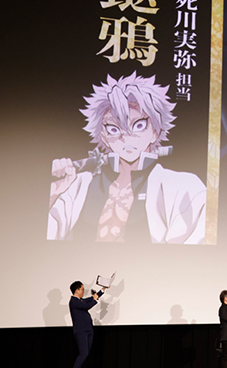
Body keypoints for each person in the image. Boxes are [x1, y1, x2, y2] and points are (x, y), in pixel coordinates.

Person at [48, 72, 206, 244]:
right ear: (104, 136)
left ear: (155, 131)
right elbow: (43, 236)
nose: (126, 137)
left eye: (138, 125)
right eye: (114, 129)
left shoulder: (182, 187)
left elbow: (191, 250)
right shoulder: (79, 185)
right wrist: (54, 191)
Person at [68, 280, 106, 368]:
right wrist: (94, 300)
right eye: (82, 289)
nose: (84, 291)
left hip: (88, 330)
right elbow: (87, 306)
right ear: (77, 290)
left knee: (86, 354)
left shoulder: (80, 300)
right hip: (81, 331)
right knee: (83, 354)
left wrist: (102, 290)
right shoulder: (73, 301)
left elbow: (90, 299)